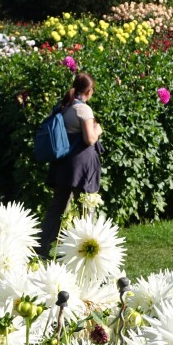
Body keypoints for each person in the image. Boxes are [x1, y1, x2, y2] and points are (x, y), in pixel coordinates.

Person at [38, 71, 104, 258]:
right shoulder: (83, 110)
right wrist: (97, 130)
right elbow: (90, 139)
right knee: (86, 207)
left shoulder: (62, 106)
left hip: (62, 164)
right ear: (89, 91)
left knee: (57, 206)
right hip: (81, 166)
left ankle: (42, 248)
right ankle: (85, 250)